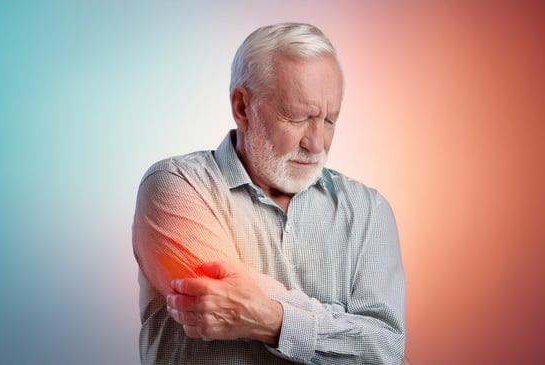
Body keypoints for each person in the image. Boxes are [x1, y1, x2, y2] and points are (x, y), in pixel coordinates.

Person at [132, 22, 406, 364]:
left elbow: (386, 348)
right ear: (242, 107)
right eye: (297, 117)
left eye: (329, 120)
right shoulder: (176, 185)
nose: (316, 143)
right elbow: (213, 296)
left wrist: (271, 319)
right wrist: (353, 338)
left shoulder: (369, 210)